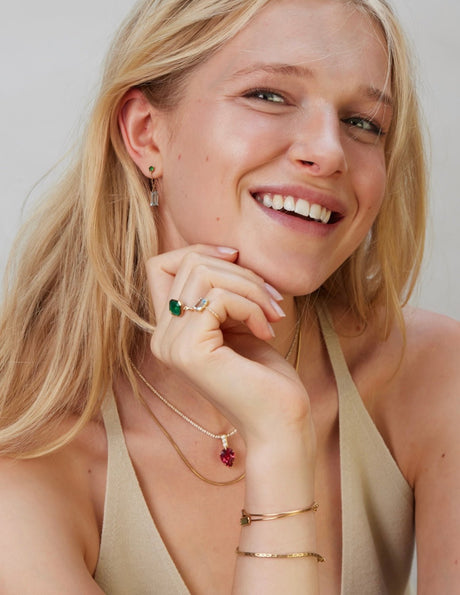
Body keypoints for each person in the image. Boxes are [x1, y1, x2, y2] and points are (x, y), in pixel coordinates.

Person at [0, 0, 458, 592]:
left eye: (363, 123)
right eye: (268, 95)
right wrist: (278, 442)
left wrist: (278, 428)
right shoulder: (27, 450)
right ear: (145, 134)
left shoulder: (432, 375)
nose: (330, 151)